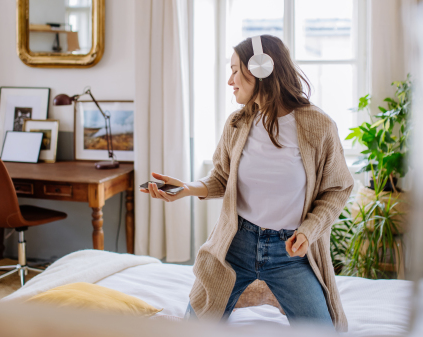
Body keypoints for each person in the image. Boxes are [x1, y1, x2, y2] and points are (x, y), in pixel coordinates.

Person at [139, 35, 353, 331]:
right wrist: (187, 189)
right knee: (194, 328)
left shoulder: (318, 125)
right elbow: (221, 178)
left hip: (289, 253)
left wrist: (309, 229)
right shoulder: (237, 124)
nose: (230, 80)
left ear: (261, 70)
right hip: (236, 244)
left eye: (235, 70)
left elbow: (337, 188)